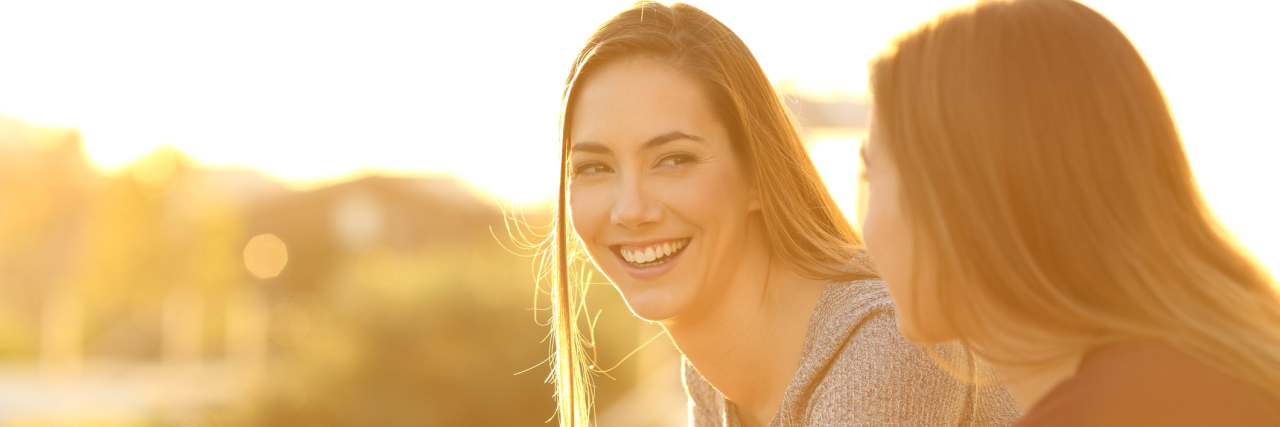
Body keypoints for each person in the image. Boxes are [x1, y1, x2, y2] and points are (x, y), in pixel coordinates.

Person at [542, 2, 1021, 426]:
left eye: (675, 159)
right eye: (594, 167)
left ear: (757, 175)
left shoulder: (885, 347)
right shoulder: (711, 377)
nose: (631, 209)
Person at [860, 0, 1280, 425]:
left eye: (870, 176)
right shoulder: (1220, 364)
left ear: (955, 199)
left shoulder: (1108, 411)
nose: (864, 233)